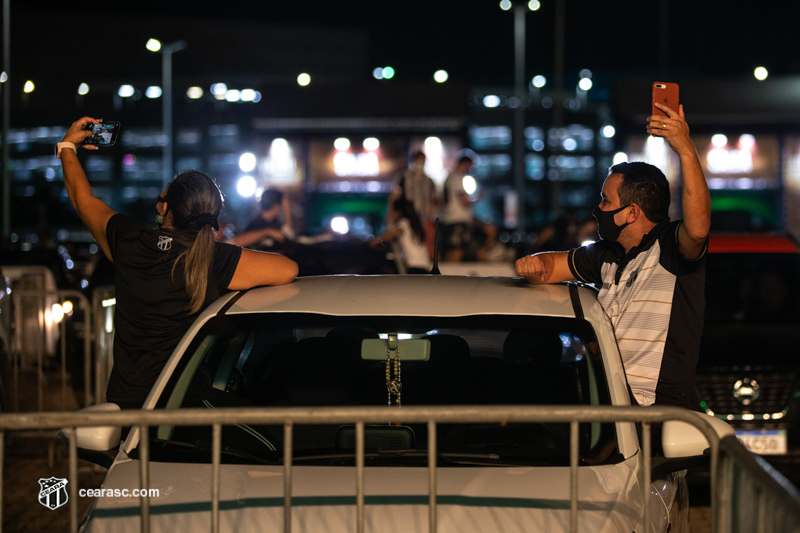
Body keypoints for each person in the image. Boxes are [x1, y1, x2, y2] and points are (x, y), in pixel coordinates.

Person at [57, 117, 299, 409]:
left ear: (164, 207)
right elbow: (288, 269)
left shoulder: (128, 241)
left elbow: (81, 198)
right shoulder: (213, 258)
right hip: (184, 405)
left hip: (129, 404)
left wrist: (69, 146)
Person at [515, 103, 710, 410]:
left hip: (656, 419)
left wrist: (685, 149)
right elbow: (551, 267)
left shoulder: (670, 248)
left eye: (606, 201)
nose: (598, 209)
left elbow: (698, 229)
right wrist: (533, 265)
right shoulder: (607, 255)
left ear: (631, 213)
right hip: (609, 411)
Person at [370, 197, 433, 274]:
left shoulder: (403, 223)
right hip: (425, 266)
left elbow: (390, 234)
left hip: (415, 267)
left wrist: (376, 241)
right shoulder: (414, 224)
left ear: (398, 212)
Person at [386, 151, 437, 232]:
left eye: (422, 161)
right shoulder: (403, 177)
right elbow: (393, 198)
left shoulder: (429, 181)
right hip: (406, 220)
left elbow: (433, 204)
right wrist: (390, 220)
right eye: (418, 161)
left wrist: (431, 219)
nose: (420, 164)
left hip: (423, 221)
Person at [441, 155, 477, 262]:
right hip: (457, 219)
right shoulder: (457, 178)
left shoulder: (450, 177)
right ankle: (450, 277)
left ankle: (448, 276)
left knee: (453, 249)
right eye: (470, 167)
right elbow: (464, 201)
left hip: (450, 218)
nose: (470, 170)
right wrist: (477, 198)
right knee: (457, 250)